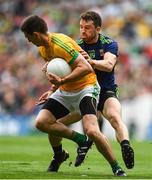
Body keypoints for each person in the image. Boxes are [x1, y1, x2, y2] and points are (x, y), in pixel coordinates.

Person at [20, 15, 126, 176]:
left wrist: (62, 80)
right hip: (66, 89)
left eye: (28, 37)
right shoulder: (42, 48)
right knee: (42, 122)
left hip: (87, 88)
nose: (28, 41)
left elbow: (86, 68)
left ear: (35, 34)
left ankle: (116, 166)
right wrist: (52, 89)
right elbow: (62, 69)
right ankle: (76, 143)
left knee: (91, 130)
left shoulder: (60, 43)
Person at [60, 11, 134, 169]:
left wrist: (90, 62)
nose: (83, 31)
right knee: (55, 122)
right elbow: (64, 67)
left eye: (87, 28)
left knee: (114, 116)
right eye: (81, 27)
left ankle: (126, 146)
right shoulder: (76, 46)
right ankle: (65, 151)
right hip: (85, 93)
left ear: (98, 29)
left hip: (106, 92)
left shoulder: (109, 43)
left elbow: (108, 66)